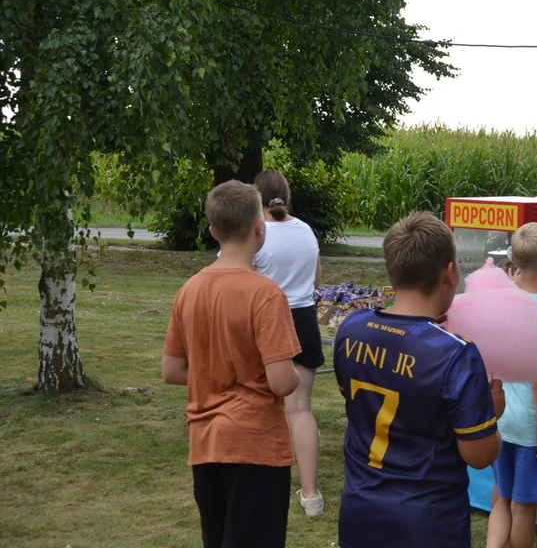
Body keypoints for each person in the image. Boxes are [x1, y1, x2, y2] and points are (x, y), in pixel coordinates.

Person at [333, 211, 506, 548]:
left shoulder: (351, 329)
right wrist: (492, 413)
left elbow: (357, 402)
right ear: (450, 272)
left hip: (360, 508)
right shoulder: (455, 353)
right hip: (427, 521)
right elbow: (480, 455)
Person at [162, 180, 301, 548]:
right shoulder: (265, 294)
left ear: (212, 231)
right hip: (256, 446)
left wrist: (217, 371)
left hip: (206, 445)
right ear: (260, 227)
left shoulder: (189, 290)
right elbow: (282, 382)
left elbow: (172, 370)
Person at [486, 223, 537, 548]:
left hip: (499, 416)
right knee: (523, 506)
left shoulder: (496, 300)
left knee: (502, 497)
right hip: (529, 423)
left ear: (513, 259)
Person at [252, 169, 325, 517]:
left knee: (260, 407)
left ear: (257, 198)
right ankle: (310, 495)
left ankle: (261, 487)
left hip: (268, 322)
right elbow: (317, 279)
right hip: (305, 321)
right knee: (300, 409)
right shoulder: (307, 231)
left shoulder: (258, 235)